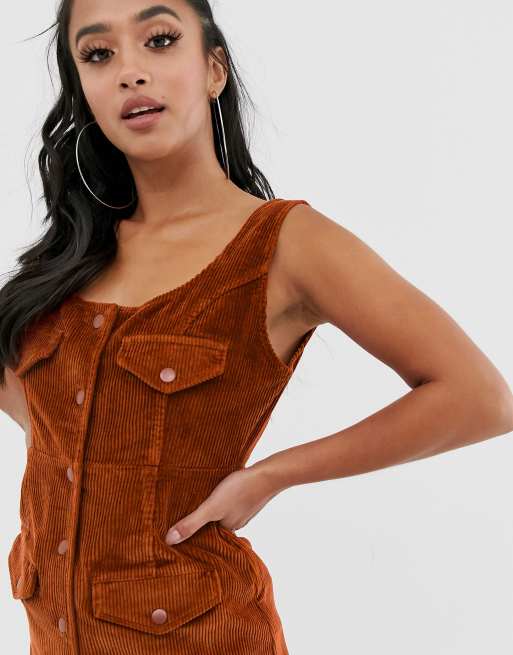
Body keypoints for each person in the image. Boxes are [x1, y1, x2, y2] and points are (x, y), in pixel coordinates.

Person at [1, 1, 512, 653]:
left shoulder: (283, 244)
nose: (130, 71)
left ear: (214, 68)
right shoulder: (69, 262)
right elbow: (46, 421)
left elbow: (479, 398)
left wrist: (271, 474)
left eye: (159, 40)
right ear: (84, 90)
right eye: (98, 55)